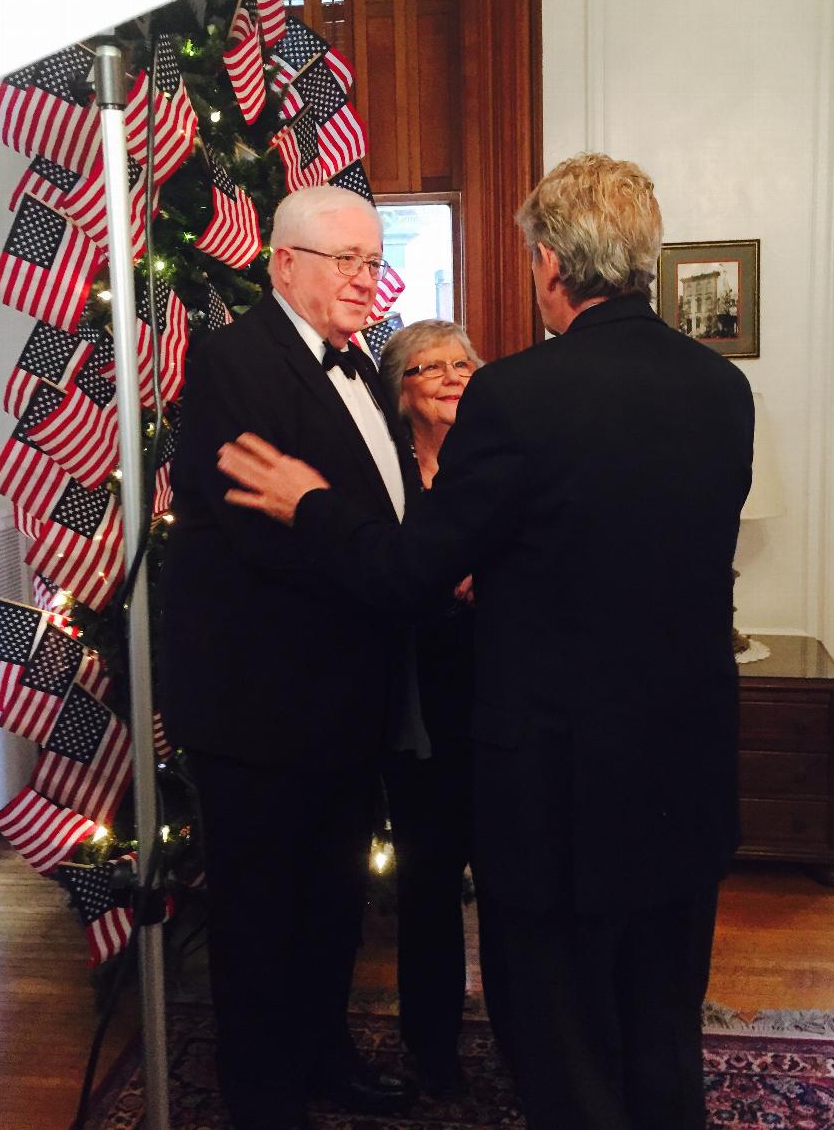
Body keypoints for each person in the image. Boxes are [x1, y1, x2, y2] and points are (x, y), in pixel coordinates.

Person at [216, 153, 755, 1130]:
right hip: (684, 764)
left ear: (548, 264)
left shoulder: (516, 395)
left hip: (558, 780)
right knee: (662, 1027)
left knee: (563, 1038)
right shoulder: (720, 390)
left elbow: (406, 569)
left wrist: (312, 503)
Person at [157, 185, 418, 1130]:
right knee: (264, 918)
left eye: (373, 259)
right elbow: (262, 533)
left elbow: (376, 518)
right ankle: (264, 1100)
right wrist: (393, 574)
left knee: (332, 905)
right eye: (343, 259)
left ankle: (324, 1057)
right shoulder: (237, 361)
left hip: (347, 705)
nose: (364, 279)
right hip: (261, 710)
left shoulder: (361, 368)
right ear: (284, 264)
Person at [377, 319, 481, 1094]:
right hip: (416, 705)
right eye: (428, 366)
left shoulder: (498, 461)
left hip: (503, 697)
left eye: (462, 363)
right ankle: (432, 1047)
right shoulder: (381, 471)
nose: (450, 375)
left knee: (516, 884)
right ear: (400, 388)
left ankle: (527, 1033)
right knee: (429, 881)